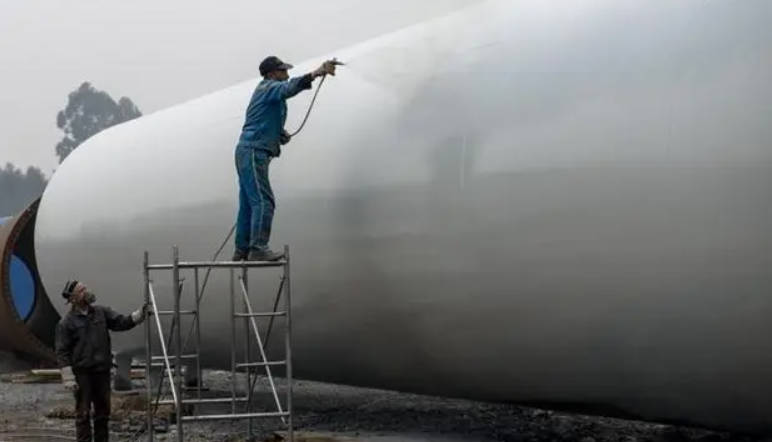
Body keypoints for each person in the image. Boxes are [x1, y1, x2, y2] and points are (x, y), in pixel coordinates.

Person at [233, 55, 339, 261]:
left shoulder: (268, 94)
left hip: (250, 151)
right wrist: (316, 73)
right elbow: (288, 88)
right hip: (253, 151)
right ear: (272, 73)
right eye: (283, 71)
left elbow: (262, 119)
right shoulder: (268, 88)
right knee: (264, 201)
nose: (287, 74)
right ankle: (258, 248)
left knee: (249, 203)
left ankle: (242, 249)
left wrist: (279, 133)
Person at [55, 280, 147, 442]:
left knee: (103, 414)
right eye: (82, 290)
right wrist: (68, 377)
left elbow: (121, 323)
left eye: (85, 288)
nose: (87, 292)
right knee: (83, 414)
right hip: (82, 374)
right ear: (74, 298)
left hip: (102, 372)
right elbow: (62, 352)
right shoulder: (66, 323)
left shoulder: (101, 313)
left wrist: (138, 316)